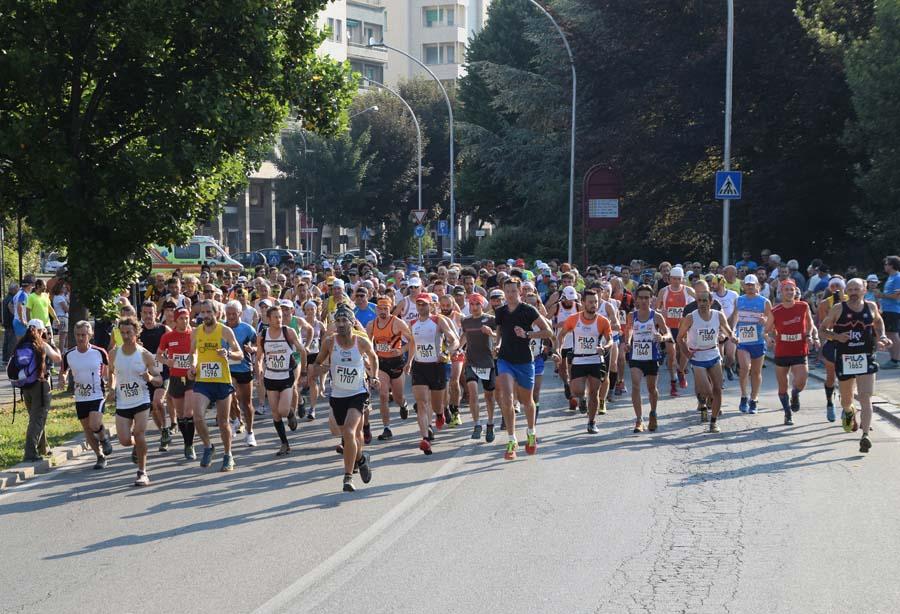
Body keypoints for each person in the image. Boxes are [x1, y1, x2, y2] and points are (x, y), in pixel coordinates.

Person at [819, 278, 892, 453]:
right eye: (849, 289)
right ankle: (849, 411)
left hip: (866, 356)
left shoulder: (871, 307)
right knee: (846, 400)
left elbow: (879, 323)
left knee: (866, 397)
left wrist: (882, 337)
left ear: (864, 290)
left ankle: (865, 435)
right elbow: (823, 330)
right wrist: (836, 337)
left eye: (856, 289)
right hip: (845, 358)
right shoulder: (838, 308)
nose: (852, 292)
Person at [310, 305, 377, 492]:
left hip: (358, 393)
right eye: (337, 321)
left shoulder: (361, 342)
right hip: (338, 394)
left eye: (343, 320)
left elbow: (374, 357)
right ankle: (362, 459)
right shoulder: (329, 342)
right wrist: (319, 368)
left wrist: (375, 376)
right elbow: (317, 362)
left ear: (352, 322)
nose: (340, 324)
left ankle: (347, 477)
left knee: (349, 431)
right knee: (350, 435)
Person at [495, 278, 554, 459]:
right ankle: (512, 440)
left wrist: (528, 334)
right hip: (505, 359)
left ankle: (531, 432)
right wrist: (497, 344)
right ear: (503, 292)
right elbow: (499, 331)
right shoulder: (501, 312)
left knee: (527, 401)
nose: (511, 295)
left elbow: (548, 332)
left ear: (520, 291)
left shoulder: (529, 310)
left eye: (514, 291)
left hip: (524, 361)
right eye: (508, 291)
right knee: (507, 397)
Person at [188, 300, 245, 471]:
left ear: (216, 313)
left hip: (221, 381)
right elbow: (193, 353)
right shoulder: (196, 332)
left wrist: (228, 353)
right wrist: (192, 365)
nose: (205, 316)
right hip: (203, 381)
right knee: (197, 416)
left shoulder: (224, 330)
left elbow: (240, 354)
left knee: (223, 422)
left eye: (208, 312)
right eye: (202, 312)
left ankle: (228, 455)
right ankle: (208, 447)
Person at [107, 317, 162, 486]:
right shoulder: (114, 353)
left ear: (136, 333)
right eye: (122, 333)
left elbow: (160, 379)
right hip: (123, 401)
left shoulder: (144, 354)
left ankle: (142, 472)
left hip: (141, 400)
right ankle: (136, 446)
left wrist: (151, 377)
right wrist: (111, 388)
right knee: (124, 440)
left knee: (139, 433)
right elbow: (112, 373)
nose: (125, 336)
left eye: (128, 332)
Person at [678, 290, 737, 433]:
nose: (703, 304)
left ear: (711, 302)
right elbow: (680, 338)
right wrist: (687, 354)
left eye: (705, 301)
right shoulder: (690, 317)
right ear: (696, 302)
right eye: (700, 301)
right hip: (697, 357)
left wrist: (732, 337)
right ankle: (704, 403)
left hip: (713, 354)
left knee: (718, 389)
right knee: (706, 390)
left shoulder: (718, 315)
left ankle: (713, 422)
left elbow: (727, 330)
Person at [408, 293, 460, 455]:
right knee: (422, 403)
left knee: (437, 404)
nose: (421, 307)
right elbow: (412, 344)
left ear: (430, 306)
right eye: (419, 304)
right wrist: (408, 362)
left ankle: (439, 414)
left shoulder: (438, 320)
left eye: (424, 304)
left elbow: (455, 340)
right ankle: (425, 438)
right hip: (420, 367)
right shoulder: (413, 323)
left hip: (437, 366)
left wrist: (448, 352)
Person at [557, 289, 613, 434]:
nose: (594, 304)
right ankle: (582, 399)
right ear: (583, 303)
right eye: (590, 302)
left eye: (596, 302)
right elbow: (561, 335)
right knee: (577, 390)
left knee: (594, 393)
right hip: (579, 360)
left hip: (595, 360)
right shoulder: (573, 319)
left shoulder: (602, 321)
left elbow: (610, 340)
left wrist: (605, 347)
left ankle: (592, 422)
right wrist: (558, 349)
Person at [61, 321, 114, 469]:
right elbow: (63, 372)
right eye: (78, 335)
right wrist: (62, 379)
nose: (80, 338)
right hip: (80, 396)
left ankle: (104, 438)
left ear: (90, 335)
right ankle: (99, 456)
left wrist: (112, 385)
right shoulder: (69, 354)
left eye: (83, 335)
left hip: (97, 394)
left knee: (94, 424)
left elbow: (109, 370)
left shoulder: (99, 352)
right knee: (87, 429)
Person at [766, 280, 818, 425]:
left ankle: (795, 394)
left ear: (795, 292)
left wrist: (809, 335)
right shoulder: (775, 311)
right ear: (781, 292)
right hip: (782, 352)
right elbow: (766, 330)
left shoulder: (803, 306)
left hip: (799, 349)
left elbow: (810, 323)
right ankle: (787, 413)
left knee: (801, 381)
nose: (789, 292)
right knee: (783, 386)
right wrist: (769, 338)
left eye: (792, 289)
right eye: (786, 289)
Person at [256, 305, 306, 455]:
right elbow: (259, 356)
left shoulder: (287, 332)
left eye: (280, 317)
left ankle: (291, 414)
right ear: (268, 319)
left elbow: (302, 350)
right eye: (275, 317)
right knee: (276, 414)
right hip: (271, 376)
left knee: (283, 410)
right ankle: (284, 443)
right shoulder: (263, 334)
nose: (279, 319)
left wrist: (303, 371)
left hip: (286, 375)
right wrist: (258, 368)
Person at [366, 296, 413, 441]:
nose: (383, 311)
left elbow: (412, 341)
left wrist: (402, 351)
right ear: (376, 310)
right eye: (380, 309)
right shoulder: (371, 325)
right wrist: (367, 360)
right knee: (383, 395)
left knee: (398, 397)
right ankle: (387, 428)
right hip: (381, 363)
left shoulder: (397, 323)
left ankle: (403, 405)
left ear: (390, 309)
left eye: (386, 308)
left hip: (396, 363)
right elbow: (367, 345)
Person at [14, 320, 62, 462]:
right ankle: (30, 452)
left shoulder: (21, 344)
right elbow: (57, 358)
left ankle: (43, 448)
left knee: (36, 418)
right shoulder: (42, 344)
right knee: (38, 419)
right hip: (40, 387)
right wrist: (52, 343)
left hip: (25, 387)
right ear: (41, 331)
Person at [625, 285, 670, 430]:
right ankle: (639, 420)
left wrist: (662, 337)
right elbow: (630, 329)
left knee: (652, 388)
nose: (644, 301)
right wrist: (627, 341)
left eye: (647, 298)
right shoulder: (632, 316)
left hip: (652, 356)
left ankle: (653, 412)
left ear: (651, 299)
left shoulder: (656, 316)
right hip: (636, 355)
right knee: (636, 385)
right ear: (636, 299)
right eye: (641, 298)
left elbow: (668, 333)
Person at [731, 274, 772, 414]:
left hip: (758, 341)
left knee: (756, 371)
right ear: (743, 286)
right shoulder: (739, 300)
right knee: (744, 368)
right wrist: (732, 332)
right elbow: (735, 317)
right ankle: (743, 396)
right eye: (747, 285)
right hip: (743, 340)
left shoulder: (764, 302)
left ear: (757, 286)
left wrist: (764, 322)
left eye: (752, 285)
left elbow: (770, 321)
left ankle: (754, 400)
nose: (749, 287)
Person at [461, 293, 498, 441]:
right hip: (472, 361)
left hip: (488, 361)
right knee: (473, 391)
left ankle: (490, 423)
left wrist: (492, 333)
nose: (474, 307)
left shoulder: (491, 320)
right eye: (472, 304)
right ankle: (477, 424)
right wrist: (456, 347)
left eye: (477, 304)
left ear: (482, 305)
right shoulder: (466, 321)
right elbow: (463, 337)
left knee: (489, 396)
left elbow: (499, 336)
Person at [138, 301, 172, 452]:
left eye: (150, 313)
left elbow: (174, 346)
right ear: (141, 315)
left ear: (156, 314)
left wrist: (168, 357)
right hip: (145, 374)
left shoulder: (164, 329)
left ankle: (165, 428)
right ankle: (163, 431)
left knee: (157, 402)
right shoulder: (137, 332)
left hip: (163, 372)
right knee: (153, 407)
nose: (147, 316)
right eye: (144, 313)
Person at [656, 266, 695, 396]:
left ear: (682, 279)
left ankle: (681, 371)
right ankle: (673, 382)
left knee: (684, 353)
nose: (676, 281)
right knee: (672, 355)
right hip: (668, 328)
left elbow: (699, 305)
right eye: (674, 279)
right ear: (669, 279)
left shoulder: (688, 291)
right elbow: (656, 309)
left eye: (679, 279)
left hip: (683, 328)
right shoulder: (663, 291)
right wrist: (662, 312)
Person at [225, 300, 258, 446]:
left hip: (244, 368)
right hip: (227, 368)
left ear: (240, 314)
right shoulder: (221, 328)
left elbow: (259, 344)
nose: (231, 317)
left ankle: (250, 432)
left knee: (246, 402)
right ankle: (234, 420)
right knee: (229, 397)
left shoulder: (247, 329)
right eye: (228, 314)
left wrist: (254, 349)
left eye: (234, 314)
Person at [876, 255, 900, 369]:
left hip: (893, 310)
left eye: (886, 264)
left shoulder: (897, 277)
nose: (884, 266)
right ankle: (893, 359)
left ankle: (895, 360)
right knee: (890, 334)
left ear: (891, 265)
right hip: (887, 309)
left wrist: (882, 295)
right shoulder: (891, 277)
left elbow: (897, 296)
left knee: (893, 334)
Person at [12, 276, 34, 340]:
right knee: (22, 343)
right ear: (29, 285)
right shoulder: (23, 294)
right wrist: (22, 320)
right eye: (32, 285)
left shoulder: (18, 293)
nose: (32, 288)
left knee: (20, 343)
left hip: (17, 321)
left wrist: (16, 315)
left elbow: (10, 305)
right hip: (21, 322)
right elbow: (19, 306)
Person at [2, 282, 18, 362]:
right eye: (17, 288)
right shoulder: (12, 299)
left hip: (6, 323)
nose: (18, 290)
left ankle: (5, 358)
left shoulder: (6, 298)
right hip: (11, 323)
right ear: (13, 290)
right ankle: (9, 359)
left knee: (6, 342)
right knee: (12, 342)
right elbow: (12, 312)